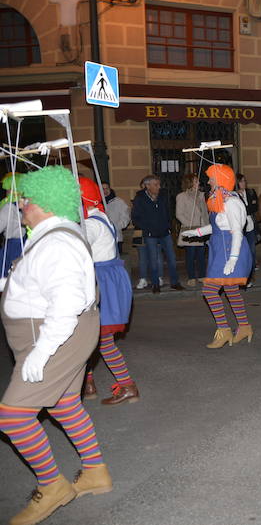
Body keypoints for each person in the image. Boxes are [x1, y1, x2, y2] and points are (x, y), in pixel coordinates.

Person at [0, 166, 112, 525]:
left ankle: (52, 487)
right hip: (57, 333)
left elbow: (66, 302)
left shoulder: (58, 240)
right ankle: (95, 473)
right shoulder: (51, 232)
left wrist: (42, 351)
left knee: (13, 417)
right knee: (65, 405)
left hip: (56, 336)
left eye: (27, 200)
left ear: (45, 202)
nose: (21, 206)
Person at [78, 177, 138, 406]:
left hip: (100, 281)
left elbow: (77, 250)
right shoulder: (97, 217)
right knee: (87, 337)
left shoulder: (91, 224)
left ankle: (127, 386)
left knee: (99, 339)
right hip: (103, 279)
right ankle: (89, 383)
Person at [181, 164, 254, 348]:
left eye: (211, 178)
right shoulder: (221, 199)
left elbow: (237, 232)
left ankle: (224, 331)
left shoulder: (232, 202)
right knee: (230, 290)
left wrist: (233, 259)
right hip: (219, 248)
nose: (208, 181)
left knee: (209, 291)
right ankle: (244, 327)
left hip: (230, 249)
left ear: (220, 180)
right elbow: (217, 226)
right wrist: (196, 232)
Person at [131, 175, 183, 293]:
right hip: (150, 234)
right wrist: (147, 228)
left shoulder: (163, 195)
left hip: (165, 232)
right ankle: (155, 285)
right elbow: (135, 217)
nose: (159, 187)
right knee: (153, 260)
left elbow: (168, 210)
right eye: (156, 184)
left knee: (172, 258)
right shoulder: (140, 198)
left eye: (159, 184)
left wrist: (168, 225)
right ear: (147, 185)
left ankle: (175, 282)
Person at [175, 173, 209, 287]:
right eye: (196, 181)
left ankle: (202, 275)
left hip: (201, 229)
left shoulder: (201, 195)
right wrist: (190, 225)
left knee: (201, 254)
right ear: (190, 183)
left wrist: (207, 226)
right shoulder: (181, 196)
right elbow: (179, 214)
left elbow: (204, 213)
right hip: (190, 229)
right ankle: (191, 277)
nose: (199, 183)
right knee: (190, 254)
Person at [236, 173, 259, 285]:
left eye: (244, 181)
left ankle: (251, 275)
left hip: (250, 225)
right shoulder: (234, 195)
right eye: (241, 181)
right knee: (241, 252)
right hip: (240, 227)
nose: (243, 183)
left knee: (252, 251)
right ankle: (243, 276)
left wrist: (246, 207)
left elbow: (254, 207)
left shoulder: (251, 192)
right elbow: (240, 210)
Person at [0, 173, 25, 277]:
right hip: (25, 244)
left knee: (9, 276)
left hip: (13, 246)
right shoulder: (25, 205)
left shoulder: (8, 207)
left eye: (7, 189)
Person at [100, 182, 130, 256]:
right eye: (103, 189)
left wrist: (117, 227)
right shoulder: (97, 202)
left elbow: (126, 216)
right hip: (102, 238)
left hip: (116, 237)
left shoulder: (119, 202)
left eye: (107, 188)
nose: (105, 191)